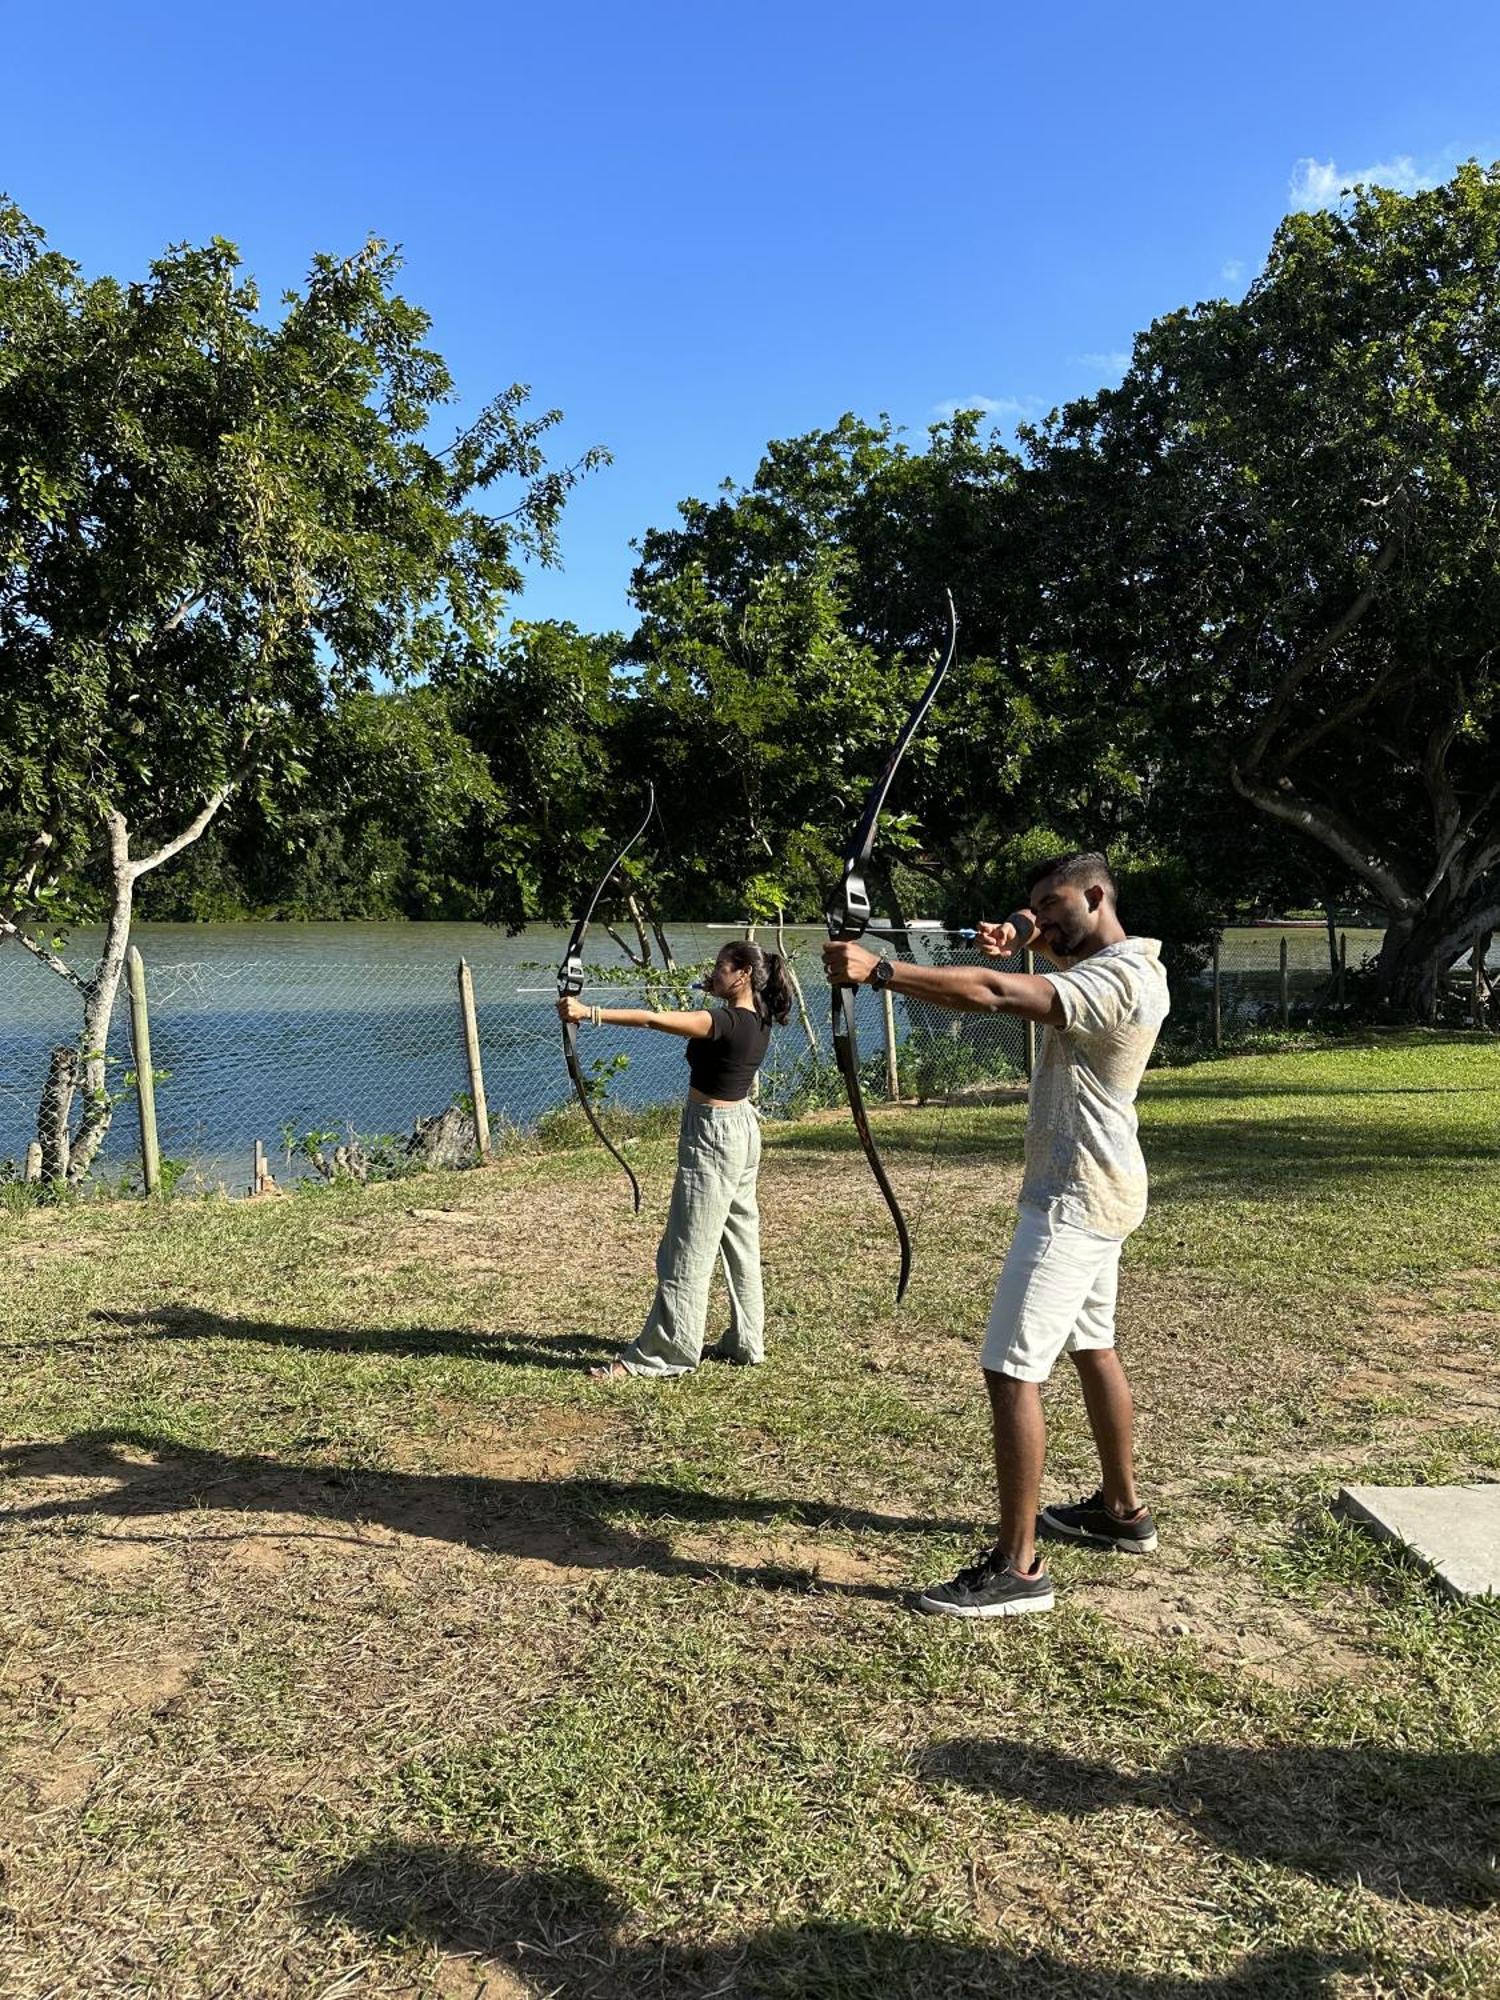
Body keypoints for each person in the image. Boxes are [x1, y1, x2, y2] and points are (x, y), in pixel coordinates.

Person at [822, 851, 1169, 1618]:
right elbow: (1015, 969)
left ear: (1097, 895)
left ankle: (1018, 1569)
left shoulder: (1118, 979)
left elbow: (993, 992)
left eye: (1053, 903)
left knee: (1012, 1370)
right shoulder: (1119, 965)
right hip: (1102, 1189)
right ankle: (1122, 1512)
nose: (1041, 916)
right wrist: (1026, 932)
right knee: (1093, 1345)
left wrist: (881, 972)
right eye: (1034, 905)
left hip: (1073, 1199)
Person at [558, 939, 793, 1381]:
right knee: (739, 1238)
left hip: (714, 1134)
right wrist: (713, 988)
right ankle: (747, 1342)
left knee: (685, 1249)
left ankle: (665, 1352)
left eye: (720, 966)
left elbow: (652, 1018)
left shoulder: (723, 1021)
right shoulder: (756, 1018)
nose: (714, 971)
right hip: (741, 1129)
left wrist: (587, 1012)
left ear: (742, 972)